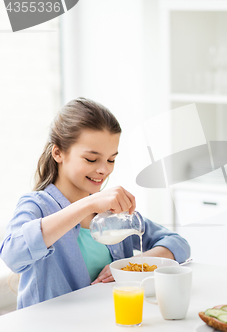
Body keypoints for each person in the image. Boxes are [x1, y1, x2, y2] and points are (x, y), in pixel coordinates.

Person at [0, 97, 190, 309]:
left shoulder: (111, 211)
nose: (104, 170)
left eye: (111, 159)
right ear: (58, 153)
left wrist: (129, 266)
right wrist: (86, 205)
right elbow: (12, 254)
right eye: (91, 159)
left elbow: (177, 244)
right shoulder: (37, 205)